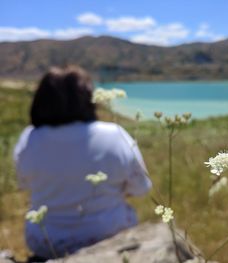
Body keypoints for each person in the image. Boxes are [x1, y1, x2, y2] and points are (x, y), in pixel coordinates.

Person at [13, 66, 152, 261]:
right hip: (109, 237)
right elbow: (141, 189)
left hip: (44, 241)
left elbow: (24, 182)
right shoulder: (115, 134)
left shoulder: (29, 138)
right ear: (89, 99)